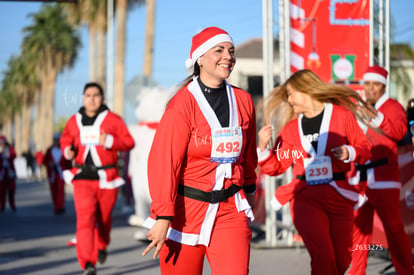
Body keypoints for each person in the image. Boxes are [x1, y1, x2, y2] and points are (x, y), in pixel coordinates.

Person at [141, 27, 258, 275]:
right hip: (185, 210)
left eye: (231, 51)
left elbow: (247, 154)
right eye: (219, 50)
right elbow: (165, 162)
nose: (228, 56)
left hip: (230, 209)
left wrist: (250, 187)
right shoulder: (182, 103)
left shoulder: (244, 100)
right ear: (200, 59)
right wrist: (163, 216)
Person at [257, 69, 373, 275]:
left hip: (339, 196)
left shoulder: (342, 116)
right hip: (305, 198)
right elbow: (276, 165)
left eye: (291, 94)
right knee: (323, 255)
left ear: (305, 90)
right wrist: (264, 149)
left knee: (341, 259)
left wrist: (350, 151)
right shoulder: (291, 129)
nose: (289, 100)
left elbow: (365, 150)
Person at [60, 82, 135, 275]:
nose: (92, 99)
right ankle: (87, 263)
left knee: (103, 219)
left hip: (107, 178)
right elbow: (66, 139)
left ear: (102, 98)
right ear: (83, 98)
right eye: (88, 95)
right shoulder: (73, 121)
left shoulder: (113, 120)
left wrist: (110, 141)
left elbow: (129, 142)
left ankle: (102, 245)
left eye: (96, 95)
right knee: (85, 220)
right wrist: (67, 150)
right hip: (83, 177)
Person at [348, 65, 414, 275]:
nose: (370, 88)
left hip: (385, 179)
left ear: (384, 85)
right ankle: (357, 272)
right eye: (367, 83)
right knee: (359, 232)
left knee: (394, 230)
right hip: (360, 180)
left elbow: (400, 131)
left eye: (375, 84)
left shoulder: (392, 107)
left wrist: (377, 117)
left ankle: (405, 271)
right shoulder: (359, 107)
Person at [43, 133, 72, 215]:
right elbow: (45, 161)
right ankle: (56, 206)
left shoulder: (63, 150)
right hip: (52, 174)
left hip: (61, 174)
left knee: (61, 190)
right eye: (55, 140)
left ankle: (61, 206)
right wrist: (50, 164)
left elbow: (68, 162)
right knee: (53, 190)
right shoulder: (49, 150)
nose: (56, 142)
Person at [0, 136, 17, 212]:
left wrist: (6, 153)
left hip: (10, 172)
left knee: (11, 189)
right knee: (1, 191)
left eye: (3, 142)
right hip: (1, 173)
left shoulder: (10, 149)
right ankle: (2, 206)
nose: (2, 144)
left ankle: (12, 205)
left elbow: (14, 155)